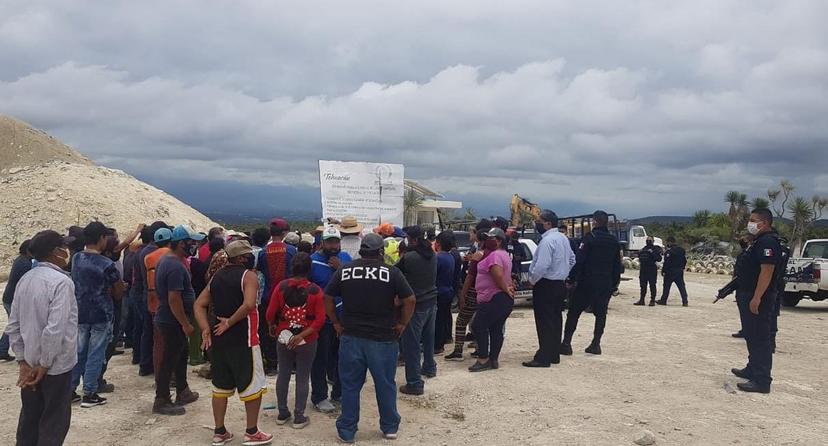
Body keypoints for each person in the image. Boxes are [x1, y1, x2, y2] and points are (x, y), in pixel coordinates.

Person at [323, 233, 416, 443]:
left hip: (351, 336)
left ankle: (347, 430)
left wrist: (336, 322)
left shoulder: (345, 270)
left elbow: (327, 296)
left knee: (350, 385)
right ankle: (390, 427)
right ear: (380, 252)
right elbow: (409, 299)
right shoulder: (391, 272)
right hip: (383, 338)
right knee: (385, 384)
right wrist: (402, 323)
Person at [195, 240, 272, 446]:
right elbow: (248, 304)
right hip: (245, 340)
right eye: (247, 255)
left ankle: (219, 432)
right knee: (252, 387)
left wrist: (205, 328)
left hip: (219, 341)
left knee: (220, 387)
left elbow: (199, 304)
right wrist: (229, 322)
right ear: (241, 258)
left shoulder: (216, 277)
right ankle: (252, 431)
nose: (250, 258)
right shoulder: (249, 276)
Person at [4, 231, 77, 446]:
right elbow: (55, 329)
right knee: (53, 423)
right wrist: (44, 364)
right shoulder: (61, 282)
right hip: (55, 366)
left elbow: (13, 325)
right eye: (64, 248)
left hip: (30, 364)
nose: (67, 252)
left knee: (29, 421)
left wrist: (23, 362)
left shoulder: (25, 280)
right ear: (56, 252)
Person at [266, 252, 326, 429]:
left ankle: (283, 412)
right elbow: (320, 320)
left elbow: (270, 312)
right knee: (303, 376)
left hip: (284, 335)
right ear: (310, 269)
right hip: (307, 339)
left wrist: (272, 325)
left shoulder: (281, 287)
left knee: (283, 373)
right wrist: (302, 335)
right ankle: (299, 416)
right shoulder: (315, 290)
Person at [70, 221, 126, 407]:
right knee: (96, 352)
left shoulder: (77, 258)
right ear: (102, 238)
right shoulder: (107, 264)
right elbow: (118, 293)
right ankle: (90, 392)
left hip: (81, 312)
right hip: (101, 313)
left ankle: (70, 390)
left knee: (79, 351)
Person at [152, 225, 203, 415]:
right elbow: (174, 298)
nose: (194, 246)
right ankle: (162, 399)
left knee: (181, 355)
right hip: (172, 320)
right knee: (169, 359)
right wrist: (186, 324)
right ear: (181, 243)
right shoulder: (173, 266)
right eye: (191, 242)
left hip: (170, 318)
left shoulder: (168, 260)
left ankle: (183, 390)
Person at [731, 209, 783, 394]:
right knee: (751, 334)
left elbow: (767, 271)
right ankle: (752, 368)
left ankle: (762, 380)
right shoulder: (758, 241)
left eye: (753, 221)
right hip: (748, 293)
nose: (750, 224)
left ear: (765, 223)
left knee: (760, 337)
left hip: (759, 296)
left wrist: (757, 297)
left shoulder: (768, 241)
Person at [562, 211, 622, 356]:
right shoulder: (614, 241)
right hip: (605, 283)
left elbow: (579, 261)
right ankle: (596, 344)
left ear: (594, 222)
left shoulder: (589, 238)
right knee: (601, 314)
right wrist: (614, 284)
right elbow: (617, 266)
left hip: (587, 282)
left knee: (574, 312)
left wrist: (571, 279)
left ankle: (566, 344)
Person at [523, 210, 575, 368]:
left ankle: (543, 357)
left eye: (539, 221)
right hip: (559, 284)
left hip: (546, 284)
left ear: (547, 223)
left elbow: (542, 265)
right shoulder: (563, 238)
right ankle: (553, 354)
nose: (536, 223)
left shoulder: (547, 241)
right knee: (555, 319)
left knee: (544, 321)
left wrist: (532, 280)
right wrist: (563, 273)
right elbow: (572, 259)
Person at [309, 225, 352, 412]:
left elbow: (352, 283)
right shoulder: (312, 262)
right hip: (322, 320)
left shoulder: (346, 259)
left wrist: (340, 269)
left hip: (343, 317)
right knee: (320, 358)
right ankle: (319, 396)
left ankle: (339, 392)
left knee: (343, 357)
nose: (334, 246)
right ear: (322, 243)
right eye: (330, 242)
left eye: (336, 242)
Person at [397, 225, 438, 394]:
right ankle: (429, 367)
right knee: (428, 339)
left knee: (412, 345)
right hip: (431, 301)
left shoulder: (410, 257)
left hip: (416, 305)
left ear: (413, 239)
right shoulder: (433, 255)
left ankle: (414, 383)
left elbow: (394, 272)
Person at [444, 219, 493, 361]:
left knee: (461, 321)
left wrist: (463, 295)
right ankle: (480, 349)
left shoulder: (478, 255)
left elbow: (470, 277)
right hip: (487, 292)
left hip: (473, 291)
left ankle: (458, 351)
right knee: (481, 321)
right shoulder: (493, 254)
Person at [467, 228, 514, 372]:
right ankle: (493, 359)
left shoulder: (495, 256)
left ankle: (483, 359)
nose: (487, 240)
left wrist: (506, 289)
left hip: (494, 297)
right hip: (499, 298)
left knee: (478, 325)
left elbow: (498, 275)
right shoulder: (503, 254)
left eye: (491, 238)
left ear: (499, 241)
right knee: (495, 328)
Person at [257, 218, 297, 375]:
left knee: (269, 329)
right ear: (285, 233)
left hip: (268, 296)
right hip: (288, 295)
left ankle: (272, 364)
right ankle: (290, 362)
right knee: (290, 327)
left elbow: (261, 272)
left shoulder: (262, 253)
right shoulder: (291, 251)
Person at [135, 221, 171, 376]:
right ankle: (159, 368)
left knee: (147, 331)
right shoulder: (160, 255)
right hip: (157, 297)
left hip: (145, 293)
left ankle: (145, 364)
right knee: (159, 335)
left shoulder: (142, 252)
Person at [1, 240, 33, 362]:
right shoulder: (25, 264)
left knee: (13, 325)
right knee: (16, 326)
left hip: (9, 298)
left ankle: (2, 349)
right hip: (12, 299)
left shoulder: (21, 260)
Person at [434, 231, 457, 354]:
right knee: (442, 318)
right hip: (447, 291)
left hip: (439, 292)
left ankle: (437, 345)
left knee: (438, 320)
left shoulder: (438, 258)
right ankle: (441, 342)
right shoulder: (450, 257)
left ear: (438, 244)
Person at [657, 236, 689, 306]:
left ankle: (663, 300)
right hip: (679, 271)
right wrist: (682, 267)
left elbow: (667, 262)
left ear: (670, 242)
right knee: (681, 286)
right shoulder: (681, 250)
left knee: (666, 286)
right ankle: (685, 301)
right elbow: (684, 260)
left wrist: (663, 270)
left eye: (667, 242)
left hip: (670, 271)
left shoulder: (669, 251)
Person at [635, 237, 663, 306]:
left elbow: (659, 259)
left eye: (650, 240)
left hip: (651, 269)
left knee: (652, 285)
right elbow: (640, 256)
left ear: (653, 241)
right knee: (643, 285)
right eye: (647, 240)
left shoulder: (655, 249)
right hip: (643, 269)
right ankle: (642, 300)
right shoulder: (643, 249)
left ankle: (652, 300)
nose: (648, 241)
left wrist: (652, 252)